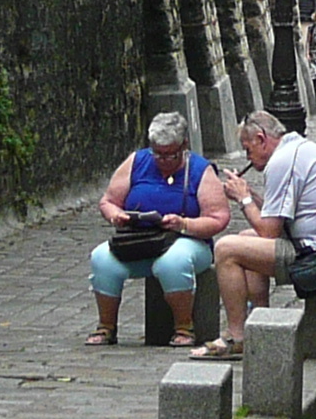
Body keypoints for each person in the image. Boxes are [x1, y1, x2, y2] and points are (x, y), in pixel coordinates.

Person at [202, 108, 316, 358]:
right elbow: (276, 217)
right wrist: (251, 196)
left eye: (248, 149)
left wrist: (243, 200)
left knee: (226, 249)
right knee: (244, 240)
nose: (248, 158)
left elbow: (269, 232)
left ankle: (236, 335)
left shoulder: (282, 162)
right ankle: (261, 324)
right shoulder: (297, 150)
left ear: (262, 139)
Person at [87, 111, 228, 347]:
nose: (163, 160)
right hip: (140, 238)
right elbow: (108, 201)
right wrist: (116, 216)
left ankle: (184, 326)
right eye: (157, 154)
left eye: (170, 155)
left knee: (172, 262)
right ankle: (106, 326)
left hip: (186, 240)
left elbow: (219, 218)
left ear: (184, 145)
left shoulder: (201, 170)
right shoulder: (137, 161)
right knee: (102, 258)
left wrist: (184, 224)